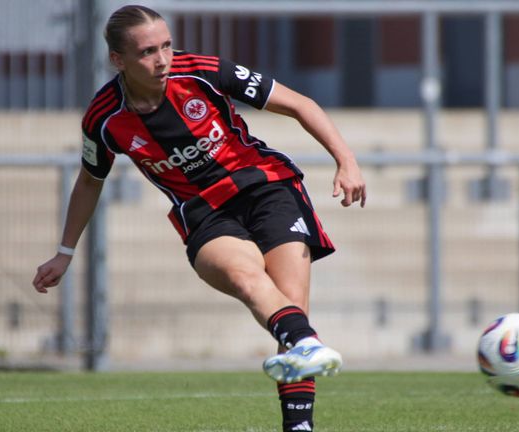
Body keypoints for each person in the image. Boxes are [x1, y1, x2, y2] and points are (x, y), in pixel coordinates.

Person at [32, 5, 366, 431]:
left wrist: (346, 161)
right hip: (203, 213)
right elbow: (88, 181)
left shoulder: (203, 71)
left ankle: (299, 423)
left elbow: (301, 104)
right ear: (119, 60)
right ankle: (305, 341)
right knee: (250, 284)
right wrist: (64, 252)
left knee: (289, 309)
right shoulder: (104, 118)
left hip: (267, 188)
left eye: (166, 45)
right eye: (148, 51)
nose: (163, 58)